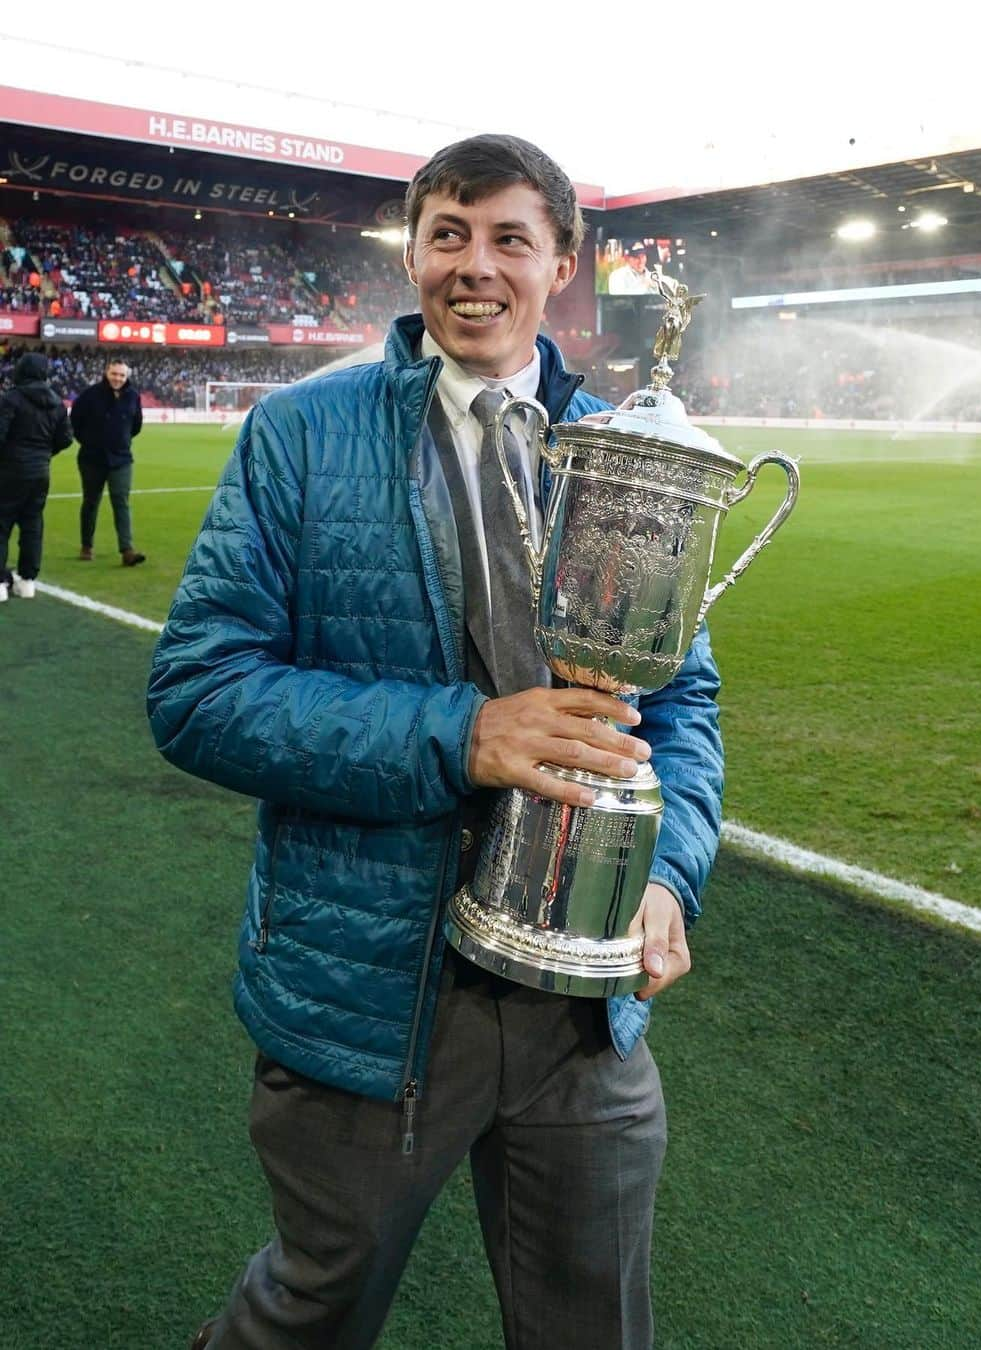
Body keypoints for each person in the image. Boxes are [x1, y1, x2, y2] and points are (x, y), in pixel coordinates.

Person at [147, 133, 723, 1350]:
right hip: (370, 987)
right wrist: (463, 735)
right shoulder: (302, 431)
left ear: (562, 262)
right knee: (314, 1307)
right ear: (410, 253)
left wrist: (669, 875)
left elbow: (678, 706)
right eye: (448, 235)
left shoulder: (626, 447)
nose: (476, 266)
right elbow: (198, 691)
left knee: (594, 1328)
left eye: (511, 238)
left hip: (581, 994)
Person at [0, 351, 73, 602]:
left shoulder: (11, 399)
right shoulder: (56, 403)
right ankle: (27, 581)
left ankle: (0, 584)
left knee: (1, 524)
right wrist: (44, 453)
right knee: (32, 526)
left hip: (9, 471)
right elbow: (65, 439)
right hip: (40, 472)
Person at [69, 357, 146, 565]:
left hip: (121, 459)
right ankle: (87, 546)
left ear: (126, 376)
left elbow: (136, 425)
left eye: (121, 375)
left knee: (121, 502)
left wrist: (121, 441)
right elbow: (75, 421)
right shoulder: (90, 395)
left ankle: (127, 550)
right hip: (92, 459)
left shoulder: (132, 396)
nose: (117, 378)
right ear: (106, 372)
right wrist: (89, 442)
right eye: (114, 374)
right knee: (91, 503)